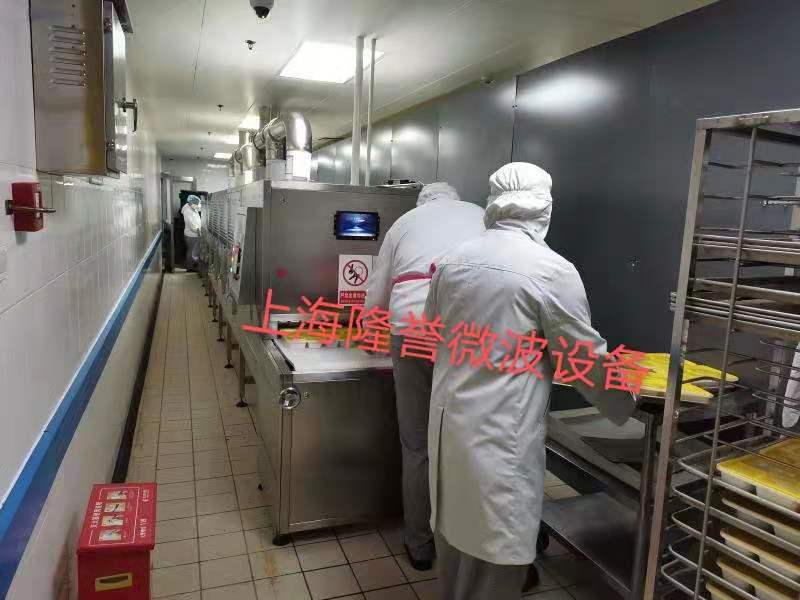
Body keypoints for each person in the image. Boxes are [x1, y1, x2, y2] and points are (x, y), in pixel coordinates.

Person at [423, 163, 636, 599]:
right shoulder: (550, 270)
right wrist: (626, 399)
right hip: (500, 435)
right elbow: (583, 358)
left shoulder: (451, 260)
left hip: (449, 427)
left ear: (492, 203)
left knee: (456, 548)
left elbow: (433, 328)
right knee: (495, 557)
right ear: (544, 208)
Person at [365, 182, 485, 570]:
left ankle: (419, 544)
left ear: (422, 201)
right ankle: (467, 542)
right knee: (469, 441)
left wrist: (369, 334)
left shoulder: (404, 223)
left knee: (417, 443)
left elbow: (377, 289)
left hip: (412, 331)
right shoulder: (481, 215)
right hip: (469, 335)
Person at [181, 195, 202, 271]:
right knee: (192, 252)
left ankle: (191, 266)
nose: (197, 205)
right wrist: (198, 231)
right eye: (196, 204)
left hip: (194, 234)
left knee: (192, 251)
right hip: (191, 235)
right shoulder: (187, 211)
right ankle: (190, 268)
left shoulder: (192, 208)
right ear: (191, 202)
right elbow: (191, 224)